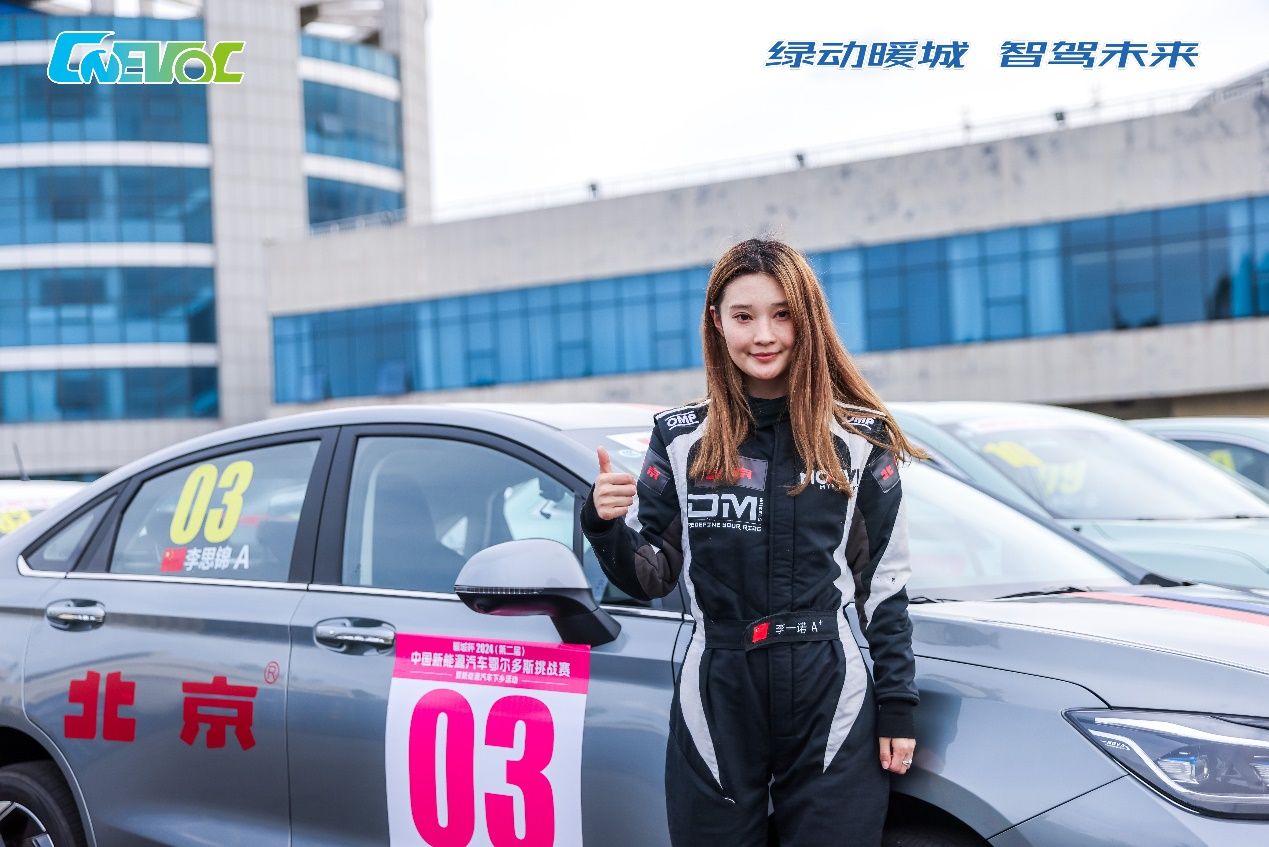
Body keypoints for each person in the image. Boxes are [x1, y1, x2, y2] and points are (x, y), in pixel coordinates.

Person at [580, 238, 923, 846]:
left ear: (807, 319)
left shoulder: (859, 438)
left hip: (829, 686)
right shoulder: (680, 438)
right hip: (718, 686)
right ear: (717, 323)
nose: (764, 335)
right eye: (744, 316)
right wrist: (603, 525)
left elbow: (884, 587)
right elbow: (651, 574)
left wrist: (897, 704)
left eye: (782, 314)